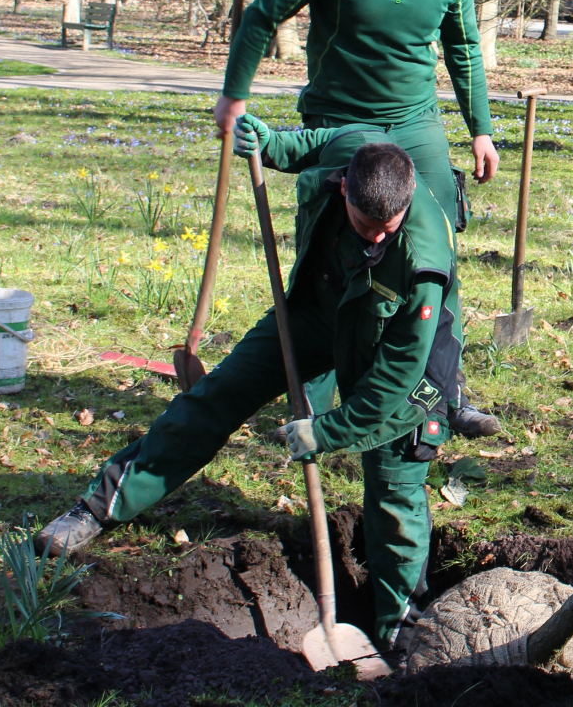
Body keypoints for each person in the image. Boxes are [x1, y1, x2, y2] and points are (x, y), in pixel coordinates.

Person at [36, 120, 463, 654]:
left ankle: (399, 629)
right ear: (344, 188)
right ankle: (100, 505)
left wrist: (327, 431)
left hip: (400, 360)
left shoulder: (422, 260)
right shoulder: (351, 149)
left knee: (393, 488)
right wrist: (265, 142)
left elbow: (396, 374)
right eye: (364, 222)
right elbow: (304, 144)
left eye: (388, 226)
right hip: (316, 314)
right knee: (218, 395)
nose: (376, 236)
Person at [215, 0, 498, 438]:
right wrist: (234, 96)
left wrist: (480, 129)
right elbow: (264, 14)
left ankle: (445, 396)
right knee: (328, 256)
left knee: (436, 257)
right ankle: (312, 403)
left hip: (416, 125)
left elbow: (464, 49)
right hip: (339, 122)